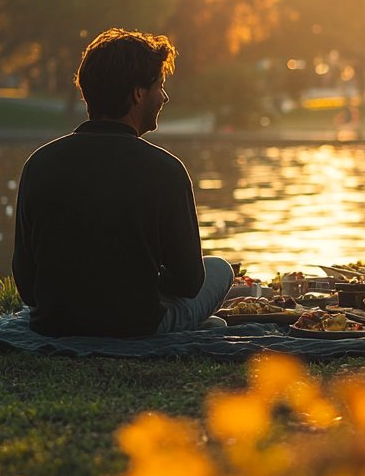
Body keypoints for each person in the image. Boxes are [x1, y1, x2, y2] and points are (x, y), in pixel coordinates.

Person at [12, 28, 233, 337]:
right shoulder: (166, 171)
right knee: (220, 269)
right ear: (137, 93)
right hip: (137, 325)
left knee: (214, 323)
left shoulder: (39, 164)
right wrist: (141, 278)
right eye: (160, 85)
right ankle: (197, 329)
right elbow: (189, 282)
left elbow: (27, 284)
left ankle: (204, 328)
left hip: (54, 324)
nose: (165, 97)